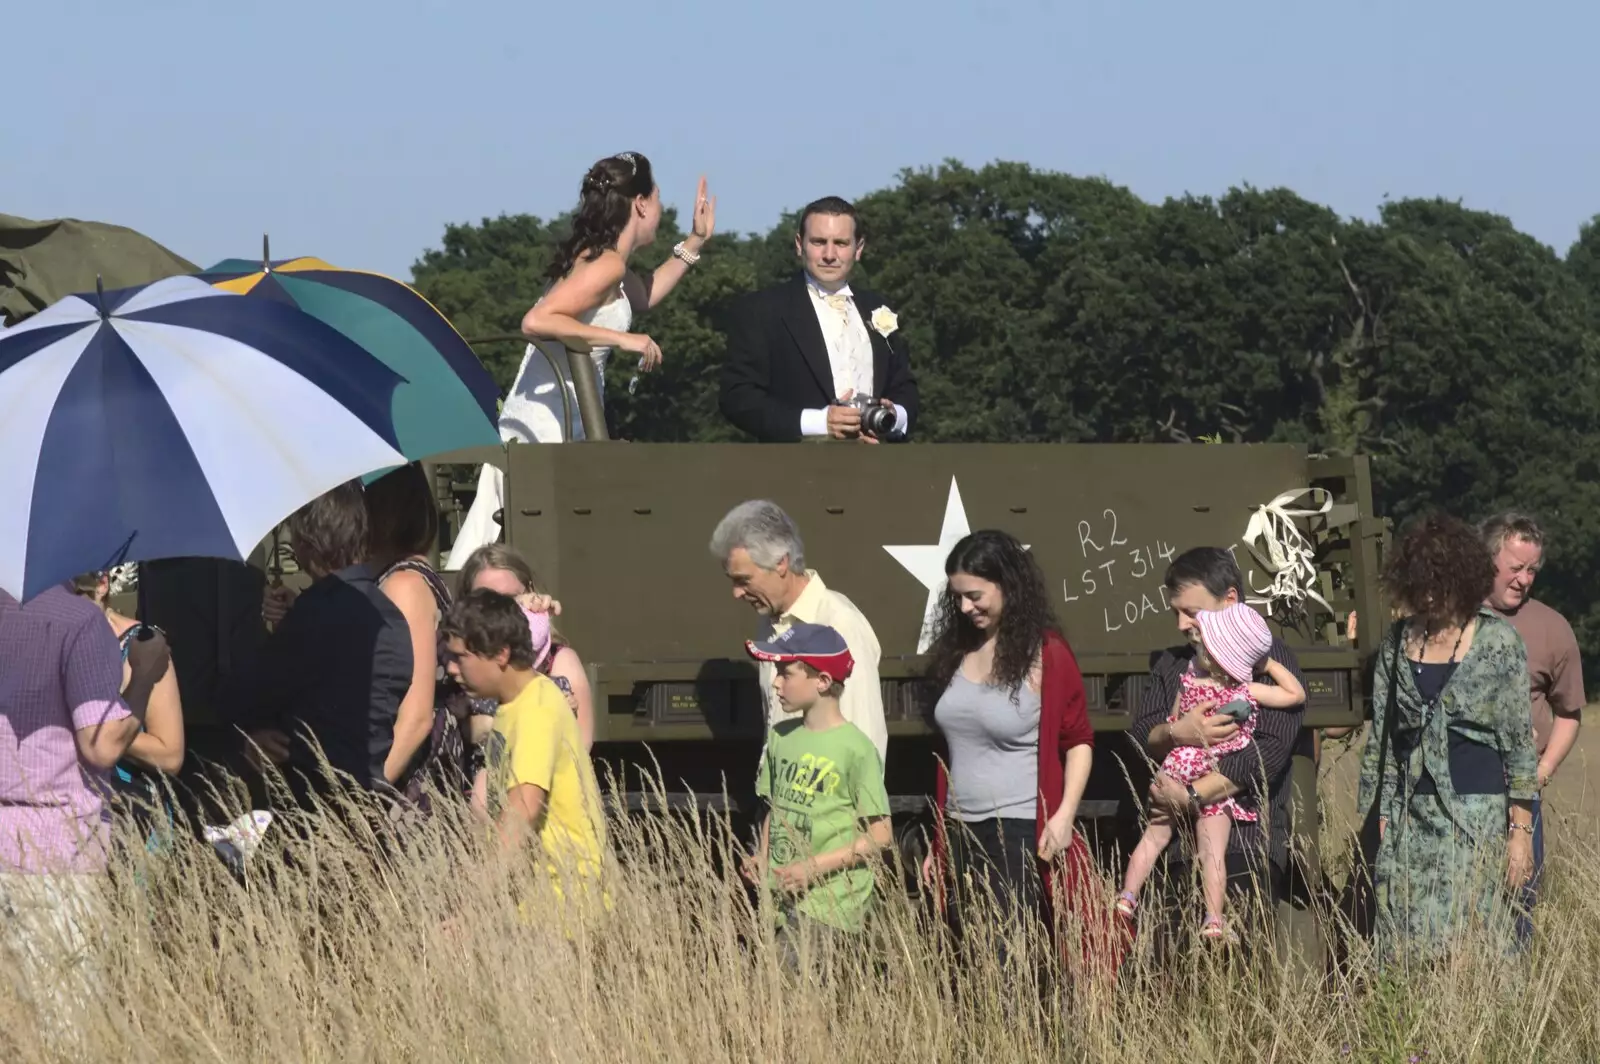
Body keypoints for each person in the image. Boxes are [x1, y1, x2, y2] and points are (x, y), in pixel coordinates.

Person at [447, 153, 716, 563]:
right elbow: (536, 320)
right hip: (548, 425)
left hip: (566, 419)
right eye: (658, 197)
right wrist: (620, 340)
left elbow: (644, 295)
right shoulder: (605, 264)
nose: (662, 208)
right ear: (641, 203)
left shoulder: (610, 262)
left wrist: (695, 241)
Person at [1356, 512, 1536, 966]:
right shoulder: (1398, 642)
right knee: (1404, 949)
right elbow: (1384, 736)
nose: (1429, 593)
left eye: (1438, 580)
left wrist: (1520, 834)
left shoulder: (1500, 643)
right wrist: (1380, 813)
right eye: (1421, 582)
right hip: (1409, 821)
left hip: (1477, 820)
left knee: (1476, 949)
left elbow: (1519, 746)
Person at [916, 530, 1104, 967]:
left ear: (1007, 585)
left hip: (1019, 831)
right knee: (968, 955)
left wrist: (1063, 816)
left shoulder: (1048, 654)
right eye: (958, 597)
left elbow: (1079, 741)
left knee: (1007, 959)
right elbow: (956, 751)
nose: (965, 607)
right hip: (960, 828)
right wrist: (939, 839)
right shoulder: (958, 649)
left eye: (975, 595)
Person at [1126, 547, 1307, 954]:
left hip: (1245, 845)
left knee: (1238, 974)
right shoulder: (1174, 666)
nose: (1181, 624)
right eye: (1175, 612)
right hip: (1175, 848)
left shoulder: (1268, 662)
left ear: (1229, 600)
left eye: (1191, 611)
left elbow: (1266, 754)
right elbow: (1140, 735)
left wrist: (1189, 796)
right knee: (1173, 972)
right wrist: (1177, 733)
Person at [222, 481, 413, 810]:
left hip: (313, 803)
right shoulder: (390, 616)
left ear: (306, 543)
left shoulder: (312, 617)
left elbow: (250, 696)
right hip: (373, 802)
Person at [0, 579, 141, 1021]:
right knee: (62, 1028)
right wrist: (145, 681)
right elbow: (100, 744)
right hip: (55, 854)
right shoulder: (79, 621)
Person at [739, 622, 892, 974]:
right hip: (779, 895)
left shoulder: (856, 749)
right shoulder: (781, 737)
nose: (776, 682)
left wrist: (814, 868)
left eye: (785, 673)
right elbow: (774, 809)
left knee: (778, 989)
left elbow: (881, 835)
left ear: (822, 681)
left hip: (829, 901)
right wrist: (760, 858)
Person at [441, 589, 608, 905]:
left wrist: (475, 903)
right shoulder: (512, 705)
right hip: (535, 902)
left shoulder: (536, 709)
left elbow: (524, 806)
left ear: (501, 654)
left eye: (461, 657)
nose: (451, 668)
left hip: (562, 906)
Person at [718, 196, 918, 443]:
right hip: (795, 472)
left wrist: (893, 417)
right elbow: (737, 398)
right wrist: (819, 422)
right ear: (799, 245)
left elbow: (904, 386)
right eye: (819, 242)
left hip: (877, 468)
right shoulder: (761, 310)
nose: (829, 254)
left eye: (841, 243)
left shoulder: (879, 308)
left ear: (859, 248)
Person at [708, 499, 888, 766]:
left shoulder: (839, 624)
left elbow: (865, 749)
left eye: (744, 580)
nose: (736, 593)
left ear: (781, 563)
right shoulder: (771, 621)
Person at [1477, 511, 1585, 943]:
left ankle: (1513, 1001)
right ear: (1488, 562)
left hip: (1520, 795)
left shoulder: (1552, 627)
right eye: (1516, 567)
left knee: (1517, 909)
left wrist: (1542, 772)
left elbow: (1570, 712)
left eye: (1532, 570)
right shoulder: (1450, 617)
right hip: (1455, 789)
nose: (1524, 579)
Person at [69, 570, 186, 844]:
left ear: (102, 584)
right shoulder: (53, 640)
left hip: (133, 820)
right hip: (69, 821)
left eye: (76, 596)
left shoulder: (142, 645)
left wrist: (90, 725)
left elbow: (170, 754)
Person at [455, 544, 590, 751]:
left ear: (529, 595)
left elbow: (578, 748)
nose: (500, 612)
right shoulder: (455, 660)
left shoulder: (557, 660)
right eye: (486, 601)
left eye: (510, 600)